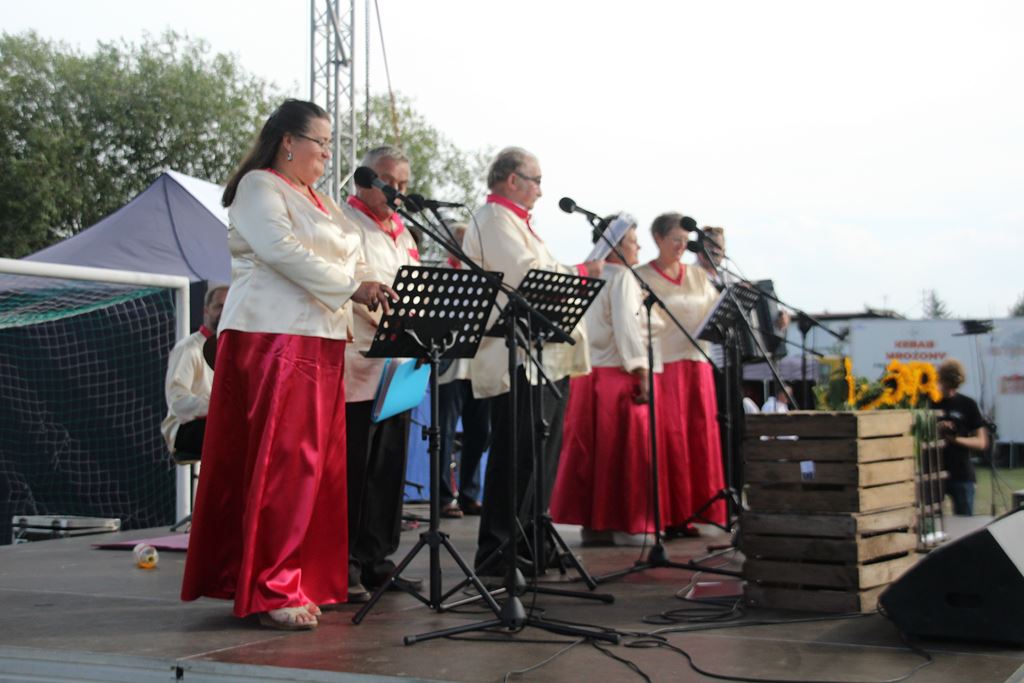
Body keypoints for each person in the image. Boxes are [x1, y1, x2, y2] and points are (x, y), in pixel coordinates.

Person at [181, 99, 395, 631]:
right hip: (273, 338)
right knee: (284, 465)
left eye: (328, 142)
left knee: (316, 469)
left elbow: (350, 255)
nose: (327, 152)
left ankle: (296, 576)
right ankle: (270, 584)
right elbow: (279, 250)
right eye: (319, 142)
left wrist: (384, 288)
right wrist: (352, 287)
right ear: (287, 142)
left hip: (321, 338)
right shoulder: (260, 186)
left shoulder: (320, 199)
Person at [461, 146, 599, 578]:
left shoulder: (518, 222)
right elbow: (524, 276)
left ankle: (531, 540)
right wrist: (580, 274)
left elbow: (544, 270)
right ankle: (499, 547)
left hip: (544, 354)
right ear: (511, 179)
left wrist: (572, 274)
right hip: (513, 356)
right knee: (515, 457)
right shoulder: (492, 220)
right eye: (535, 179)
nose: (541, 189)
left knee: (541, 457)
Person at [550, 216, 663, 545]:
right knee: (620, 453)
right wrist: (641, 371)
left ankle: (593, 523)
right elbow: (627, 329)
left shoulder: (589, 274)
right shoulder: (623, 278)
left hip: (587, 374)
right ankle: (623, 522)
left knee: (589, 454)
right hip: (616, 374)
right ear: (615, 245)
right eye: (632, 240)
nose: (638, 246)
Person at [341, 145, 423, 598]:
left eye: (405, 184)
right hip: (357, 361)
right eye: (392, 183)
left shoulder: (404, 232)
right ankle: (346, 560)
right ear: (364, 180)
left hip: (399, 362)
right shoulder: (342, 223)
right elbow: (345, 285)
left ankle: (377, 557)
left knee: (389, 464)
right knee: (356, 464)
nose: (399, 192)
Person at [637, 213, 725, 533]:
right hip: (665, 365)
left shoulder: (699, 276)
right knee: (672, 440)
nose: (681, 246)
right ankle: (672, 515)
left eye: (685, 241)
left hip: (697, 363)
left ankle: (703, 510)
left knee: (700, 437)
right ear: (658, 239)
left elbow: (717, 313)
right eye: (675, 239)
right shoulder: (641, 275)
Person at [437, 221, 490, 519]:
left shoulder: (484, 276)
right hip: (449, 368)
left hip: (480, 368)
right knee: (443, 434)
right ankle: (444, 497)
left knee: (480, 433)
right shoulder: (442, 275)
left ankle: (470, 494)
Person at [160, 284, 227, 457]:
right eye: (219, 306)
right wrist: (217, 405)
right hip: (185, 430)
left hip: (216, 424)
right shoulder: (188, 349)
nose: (224, 311)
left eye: (229, 306)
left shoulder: (234, 351)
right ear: (206, 310)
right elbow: (178, 402)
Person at [935, 359, 989, 516]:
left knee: (964, 522)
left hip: (962, 473)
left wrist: (955, 439)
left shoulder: (967, 404)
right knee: (934, 523)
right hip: (934, 471)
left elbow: (981, 442)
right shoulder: (931, 402)